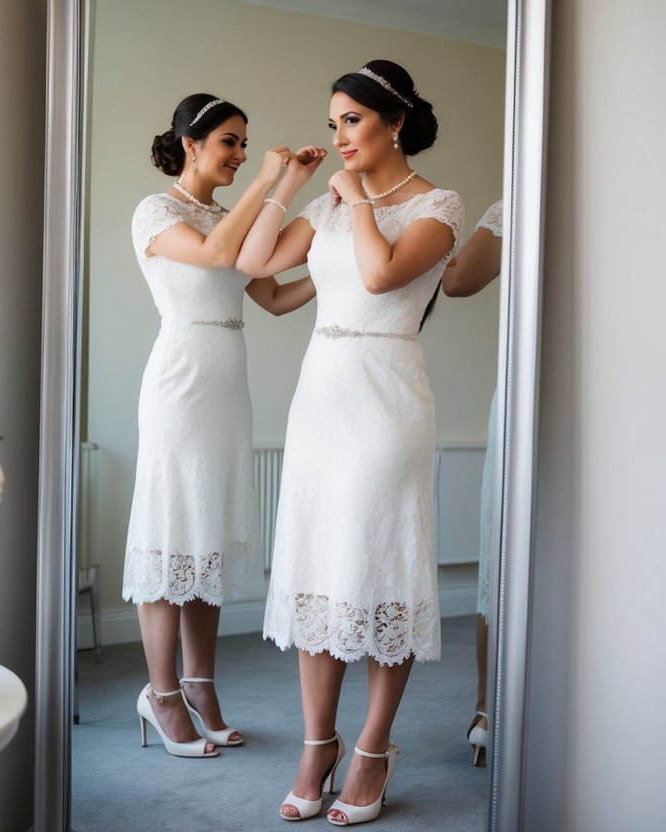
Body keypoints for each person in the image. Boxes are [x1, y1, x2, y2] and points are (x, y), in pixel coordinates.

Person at [237, 60, 464, 823]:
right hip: (320, 401)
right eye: (331, 122)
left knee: (380, 570)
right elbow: (255, 265)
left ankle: (371, 748)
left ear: (394, 122)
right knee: (318, 573)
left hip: (386, 398)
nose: (338, 137)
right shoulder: (329, 202)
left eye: (352, 121)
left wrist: (356, 194)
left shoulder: (438, 205)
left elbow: (377, 277)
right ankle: (315, 745)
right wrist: (288, 187)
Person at [125, 93, 315, 758]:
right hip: (179, 386)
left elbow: (272, 294)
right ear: (191, 143)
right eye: (229, 143)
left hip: (228, 390)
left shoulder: (221, 217)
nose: (238, 155)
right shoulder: (158, 211)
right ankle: (162, 694)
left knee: (204, 545)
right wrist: (269, 181)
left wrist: (333, 268)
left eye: (243, 145)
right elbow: (211, 256)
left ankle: (200, 684)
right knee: (169, 541)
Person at [442, 199, 504, 766]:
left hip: (529, 384)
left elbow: (458, 280)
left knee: (501, 544)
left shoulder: (519, 205)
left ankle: (488, 708)